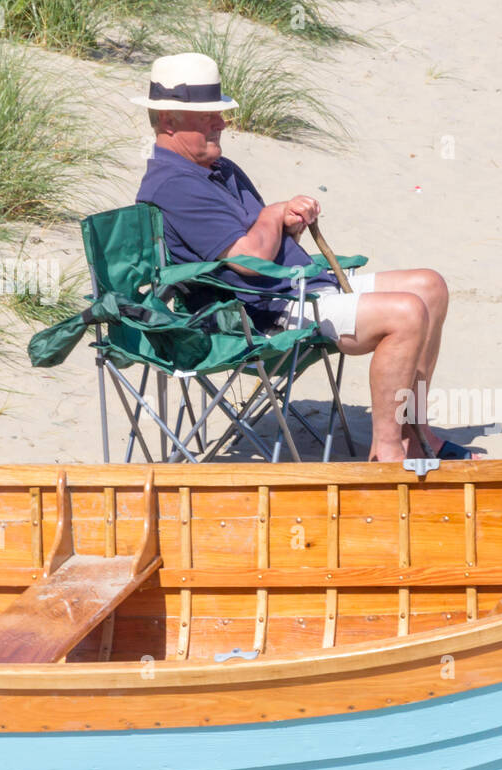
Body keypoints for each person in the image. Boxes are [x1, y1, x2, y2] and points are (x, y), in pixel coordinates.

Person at [132, 53, 475, 463]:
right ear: (169, 121)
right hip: (260, 313)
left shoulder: (217, 168)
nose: (221, 123)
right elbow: (246, 260)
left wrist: (287, 221)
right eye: (208, 117)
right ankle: (387, 452)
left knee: (429, 286)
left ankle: (414, 433)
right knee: (406, 313)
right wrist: (272, 213)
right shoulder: (174, 186)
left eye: (217, 114)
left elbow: (259, 238)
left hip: (297, 285)